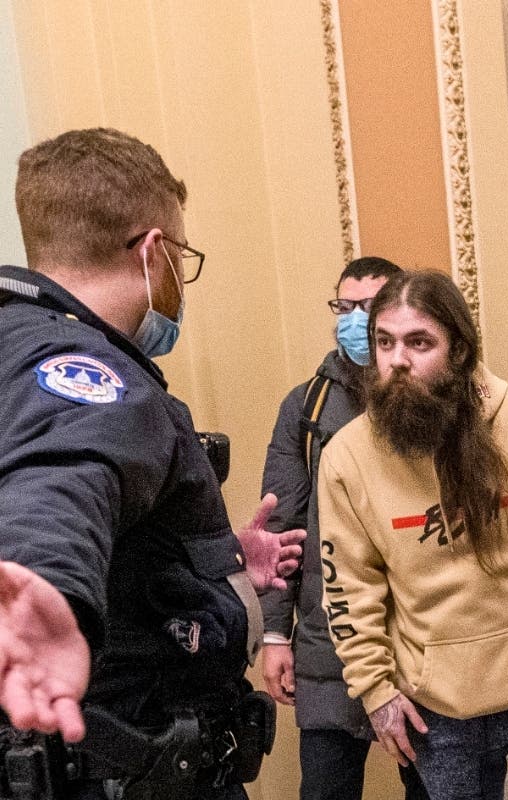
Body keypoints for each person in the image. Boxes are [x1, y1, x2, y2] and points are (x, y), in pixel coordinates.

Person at [0, 127, 306, 799]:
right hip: (130, 767)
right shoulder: (88, 374)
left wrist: (209, 558)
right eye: (181, 257)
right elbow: (64, 471)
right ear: (154, 250)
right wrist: (44, 581)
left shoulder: (12, 348)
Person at [316, 270, 508, 800]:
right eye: (385, 342)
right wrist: (375, 691)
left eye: (419, 342)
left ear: (460, 350)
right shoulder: (346, 458)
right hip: (437, 709)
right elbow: (348, 589)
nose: (397, 360)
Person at [259, 256, 427, 800]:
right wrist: (273, 634)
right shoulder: (307, 407)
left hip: (421, 639)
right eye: (344, 306)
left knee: (433, 787)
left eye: (368, 307)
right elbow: (280, 528)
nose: (353, 319)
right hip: (325, 641)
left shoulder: (432, 402)